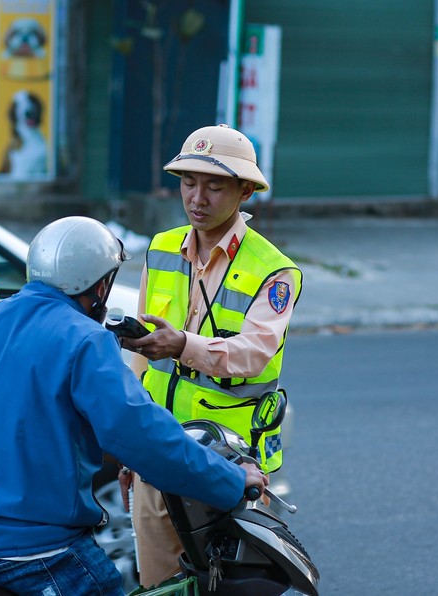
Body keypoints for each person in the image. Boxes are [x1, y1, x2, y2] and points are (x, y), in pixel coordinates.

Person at [0, 216, 267, 595]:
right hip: (38, 549)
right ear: (99, 284)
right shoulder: (85, 340)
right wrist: (230, 481)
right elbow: (144, 437)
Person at [118, 124, 303, 586]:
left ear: (244, 191)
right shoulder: (160, 250)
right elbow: (142, 360)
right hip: (158, 449)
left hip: (228, 460)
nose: (197, 198)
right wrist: (130, 449)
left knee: (226, 583)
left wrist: (182, 344)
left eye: (214, 185)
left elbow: (252, 355)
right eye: (188, 182)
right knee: (158, 584)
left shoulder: (275, 270)